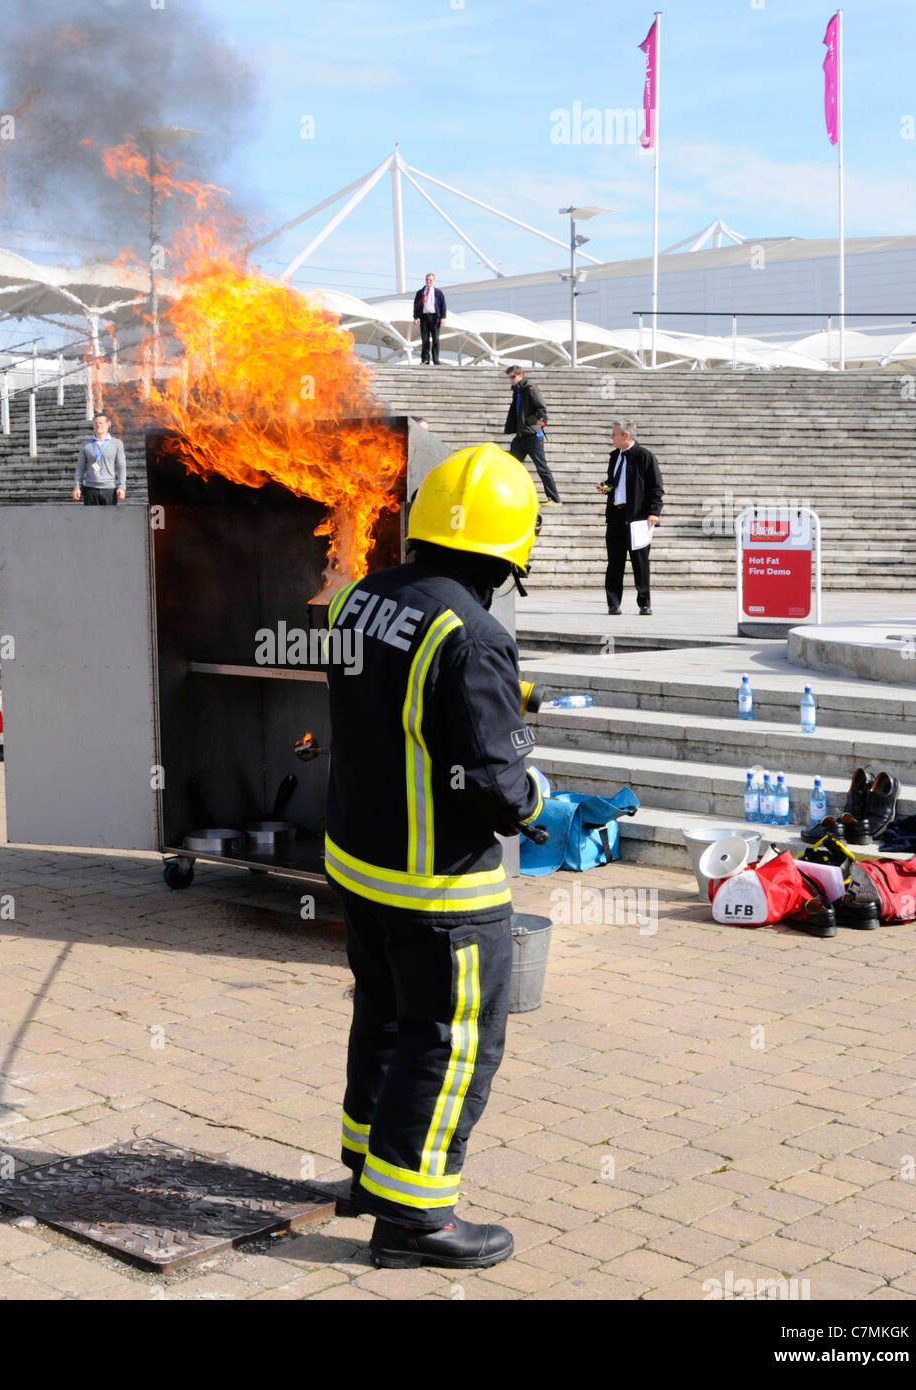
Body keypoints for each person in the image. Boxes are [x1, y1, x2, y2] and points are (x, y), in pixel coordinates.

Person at [325, 443, 547, 1270]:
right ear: (510, 550)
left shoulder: (359, 599)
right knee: (450, 1038)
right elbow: (495, 787)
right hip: (438, 888)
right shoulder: (476, 633)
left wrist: (486, 703)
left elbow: (395, 702)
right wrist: (532, 794)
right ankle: (415, 1218)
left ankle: (365, 1174)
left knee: (381, 1015)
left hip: (360, 865)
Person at [597, 418, 663, 616]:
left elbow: (656, 487)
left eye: (614, 434)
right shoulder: (614, 456)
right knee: (614, 562)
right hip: (616, 515)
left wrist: (654, 512)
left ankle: (644, 603)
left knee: (640, 562)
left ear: (626, 435)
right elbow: (613, 482)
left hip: (638, 517)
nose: (611, 436)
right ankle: (613, 603)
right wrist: (606, 487)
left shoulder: (645, 456)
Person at [503, 365, 560, 505]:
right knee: (510, 465)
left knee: (542, 467)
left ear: (521, 375)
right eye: (509, 377)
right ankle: (509, 495)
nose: (511, 380)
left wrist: (528, 422)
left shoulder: (530, 388)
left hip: (533, 436)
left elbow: (542, 409)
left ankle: (554, 499)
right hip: (521, 436)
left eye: (513, 376)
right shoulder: (517, 391)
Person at [71, 411, 126, 505]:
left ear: (108, 424)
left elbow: (121, 466)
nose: (98, 425)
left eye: (101, 423)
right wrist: (77, 486)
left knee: (110, 519)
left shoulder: (116, 444)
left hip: (109, 489)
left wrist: (122, 486)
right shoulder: (86, 444)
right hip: (90, 489)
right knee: (91, 519)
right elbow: (80, 467)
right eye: (96, 423)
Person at [411, 273, 447, 366]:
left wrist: (443, 317)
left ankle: (436, 360)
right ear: (425, 280)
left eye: (430, 280)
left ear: (433, 281)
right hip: (424, 318)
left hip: (435, 318)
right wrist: (415, 317)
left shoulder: (438, 292)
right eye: (427, 279)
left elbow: (443, 305)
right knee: (425, 340)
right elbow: (416, 305)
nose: (428, 281)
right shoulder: (420, 292)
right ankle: (425, 360)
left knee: (435, 340)